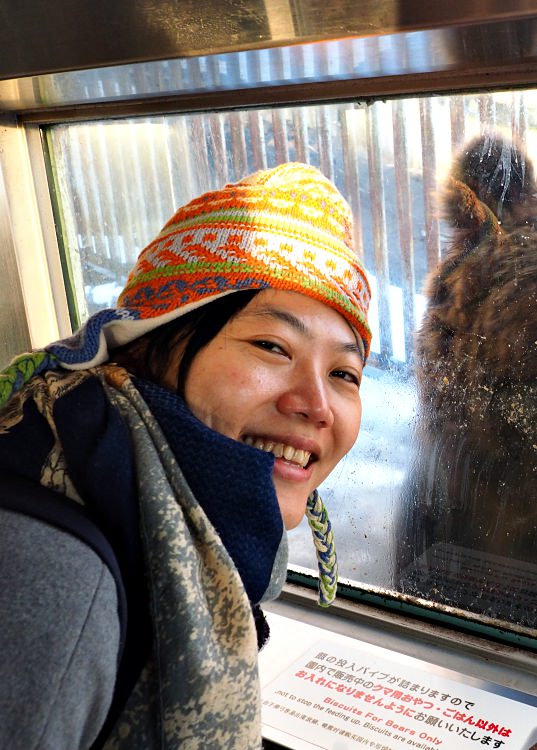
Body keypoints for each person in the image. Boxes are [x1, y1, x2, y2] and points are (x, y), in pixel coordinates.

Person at [0, 163, 372, 749]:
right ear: (151, 347)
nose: (317, 405)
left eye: (344, 373)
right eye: (272, 346)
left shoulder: (180, 525)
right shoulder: (57, 579)